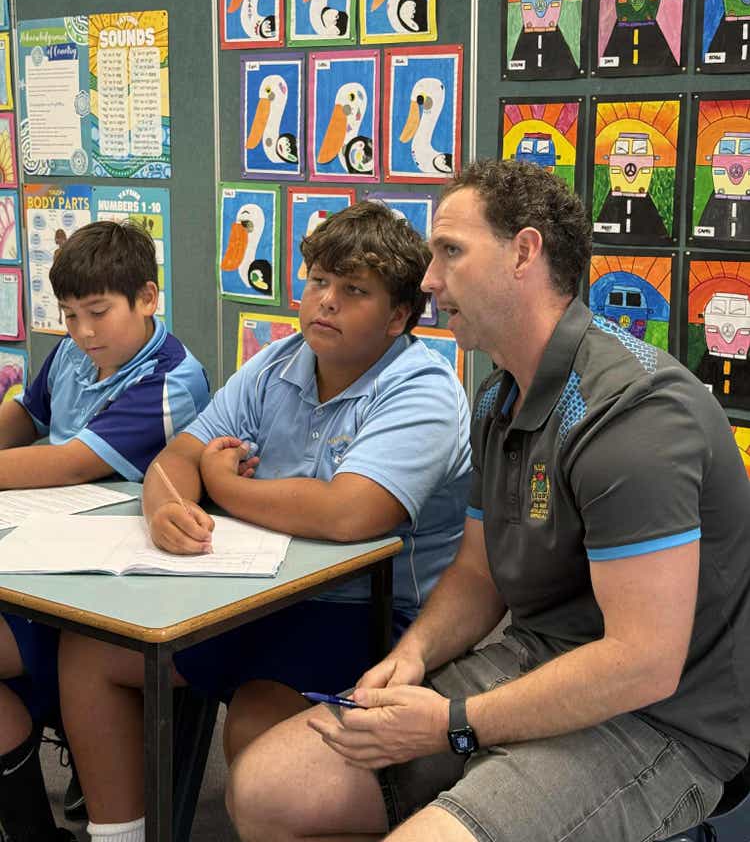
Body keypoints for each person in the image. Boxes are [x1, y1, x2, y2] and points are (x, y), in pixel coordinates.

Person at [225, 158, 750, 842]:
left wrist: (453, 723)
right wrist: (413, 656)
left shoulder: (635, 417)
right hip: (538, 657)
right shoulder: (501, 394)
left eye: (450, 252)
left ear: (524, 253)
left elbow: (642, 663)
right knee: (268, 788)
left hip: (660, 719)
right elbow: (477, 573)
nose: (429, 280)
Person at [58, 200, 471, 842]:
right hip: (256, 595)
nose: (325, 302)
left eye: (353, 290)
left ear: (397, 317)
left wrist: (222, 485)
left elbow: (352, 512)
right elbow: (179, 456)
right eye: (318, 282)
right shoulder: (279, 362)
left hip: (369, 616)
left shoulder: (424, 388)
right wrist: (166, 503)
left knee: (262, 740)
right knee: (92, 653)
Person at [0, 221, 210, 842]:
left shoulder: (172, 379)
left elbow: (68, 463)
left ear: (147, 298)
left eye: (97, 312)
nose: (82, 332)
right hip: (45, 548)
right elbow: (23, 414)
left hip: (107, 583)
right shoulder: (72, 352)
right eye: (68, 316)